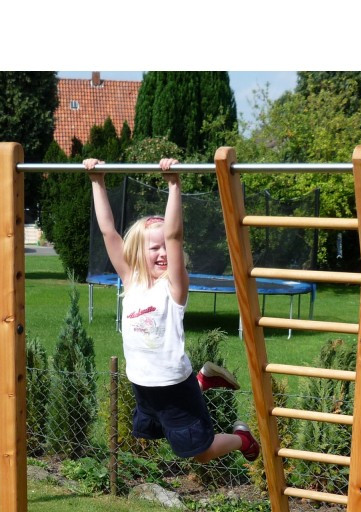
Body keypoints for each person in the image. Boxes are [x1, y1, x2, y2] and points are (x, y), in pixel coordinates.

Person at [84, 157, 260, 464]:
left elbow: (175, 236)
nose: (163, 253)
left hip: (173, 385)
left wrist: (174, 184)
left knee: (199, 453)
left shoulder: (174, 287)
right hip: (143, 385)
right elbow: (109, 233)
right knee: (153, 434)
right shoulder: (131, 279)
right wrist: (97, 181)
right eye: (155, 248)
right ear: (138, 252)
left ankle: (241, 439)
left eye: (165, 247)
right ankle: (203, 382)